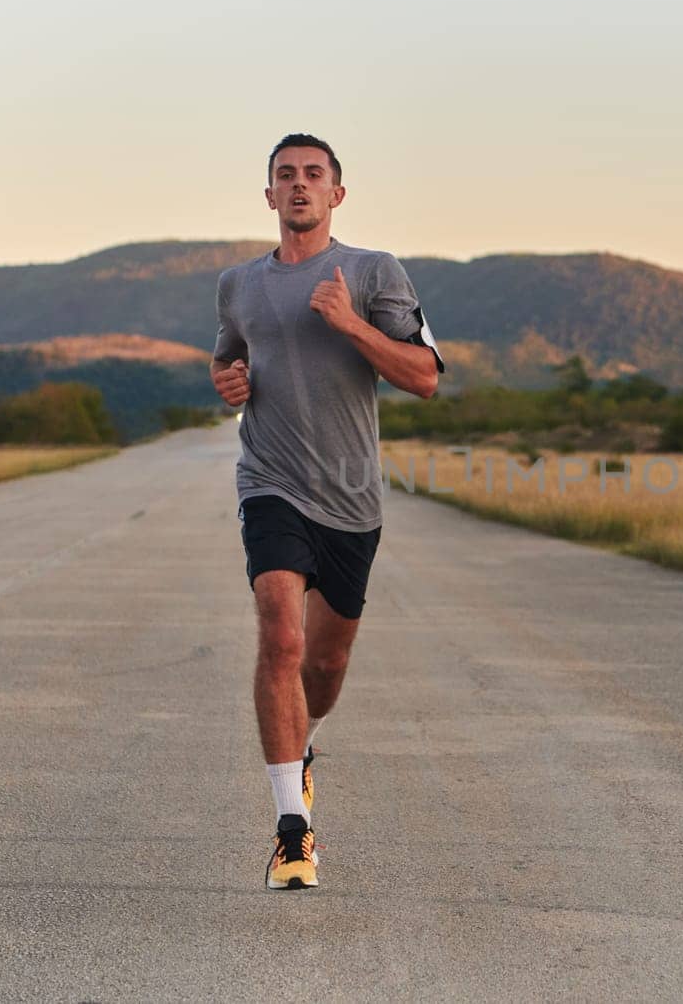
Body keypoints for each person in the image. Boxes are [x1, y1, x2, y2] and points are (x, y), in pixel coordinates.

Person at [209, 133, 444, 889]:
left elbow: (426, 376)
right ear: (269, 195)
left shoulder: (375, 272)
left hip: (352, 497)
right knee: (279, 636)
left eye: (314, 175)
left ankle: (299, 751)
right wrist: (229, 380)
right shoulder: (238, 284)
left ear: (337, 194)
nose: (300, 185)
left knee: (325, 664)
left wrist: (349, 323)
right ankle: (291, 831)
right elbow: (227, 354)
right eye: (287, 176)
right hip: (270, 482)